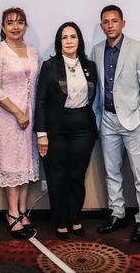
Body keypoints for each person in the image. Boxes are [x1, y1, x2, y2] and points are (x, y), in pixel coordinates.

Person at [91, 5, 140, 243]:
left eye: (114, 21)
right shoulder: (97, 50)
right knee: (112, 172)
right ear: (101, 26)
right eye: (106, 22)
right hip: (107, 119)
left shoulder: (139, 49)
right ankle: (117, 214)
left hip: (132, 121)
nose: (110, 25)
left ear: (123, 23)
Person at [34, 22, 98, 240]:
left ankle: (75, 218)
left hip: (83, 128)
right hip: (55, 128)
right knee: (57, 176)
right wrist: (41, 133)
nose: (69, 41)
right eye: (64, 37)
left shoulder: (90, 65)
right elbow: (40, 101)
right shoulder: (50, 66)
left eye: (73, 36)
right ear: (58, 41)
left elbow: (93, 97)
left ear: (79, 40)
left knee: (76, 177)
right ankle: (60, 221)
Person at [0, 7, 39, 239]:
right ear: (3, 27)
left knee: (26, 164)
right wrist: (17, 113)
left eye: (20, 22)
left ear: (25, 25)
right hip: (8, 118)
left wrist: (28, 114)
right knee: (11, 164)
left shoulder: (33, 52)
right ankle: (11, 212)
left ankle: (23, 210)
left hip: (31, 117)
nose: (15, 26)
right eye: (10, 22)